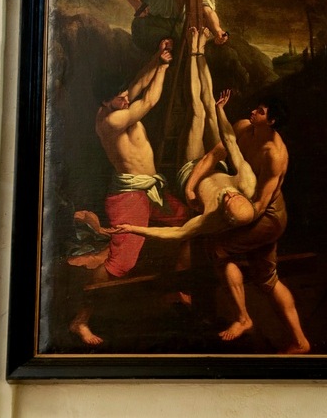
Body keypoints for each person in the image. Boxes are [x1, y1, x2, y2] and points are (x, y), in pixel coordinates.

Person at [68, 38, 189, 345]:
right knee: (120, 264)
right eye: (119, 95)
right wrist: (164, 67)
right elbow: (148, 102)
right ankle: (80, 320)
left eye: (123, 93)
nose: (125, 96)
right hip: (129, 197)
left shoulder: (117, 102)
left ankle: (178, 287)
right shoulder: (111, 120)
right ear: (104, 102)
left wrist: (157, 56)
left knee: (186, 223)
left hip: (149, 190)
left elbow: (136, 84)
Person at [185, 93, 311, 353]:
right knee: (267, 279)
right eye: (256, 108)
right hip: (247, 206)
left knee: (218, 248)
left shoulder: (274, 154)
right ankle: (301, 342)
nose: (253, 112)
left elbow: (260, 205)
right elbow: (212, 156)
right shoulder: (243, 128)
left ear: (272, 121)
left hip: (268, 217)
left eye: (261, 112)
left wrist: (225, 216)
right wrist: (190, 186)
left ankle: (243, 319)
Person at [114, 27, 257, 241]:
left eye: (227, 201)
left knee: (198, 111)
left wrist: (133, 228)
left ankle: (192, 51)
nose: (228, 193)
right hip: (216, 163)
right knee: (210, 105)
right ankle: (200, 50)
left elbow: (177, 233)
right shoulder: (248, 183)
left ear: (226, 216)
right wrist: (220, 112)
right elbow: (229, 141)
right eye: (234, 194)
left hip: (190, 169)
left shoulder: (211, 218)